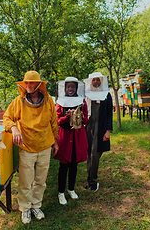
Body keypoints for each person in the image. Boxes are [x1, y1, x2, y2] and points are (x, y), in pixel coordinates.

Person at [3, 70, 59, 224]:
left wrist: (55, 140)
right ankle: (25, 208)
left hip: (45, 145)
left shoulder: (48, 101)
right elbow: (7, 118)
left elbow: (53, 122)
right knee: (26, 181)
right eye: (26, 82)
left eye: (31, 82)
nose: (28, 85)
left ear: (39, 85)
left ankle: (36, 205)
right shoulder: (18, 102)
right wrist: (14, 128)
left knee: (41, 180)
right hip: (27, 146)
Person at [54, 77, 88, 205]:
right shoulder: (60, 102)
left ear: (76, 88)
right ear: (65, 88)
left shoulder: (82, 101)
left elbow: (86, 120)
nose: (70, 89)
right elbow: (57, 121)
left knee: (74, 164)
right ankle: (61, 192)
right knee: (63, 165)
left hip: (77, 136)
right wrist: (65, 117)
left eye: (72, 87)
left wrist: (79, 116)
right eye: (68, 87)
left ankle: (71, 189)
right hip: (65, 136)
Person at [83, 72, 113, 191]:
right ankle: (89, 180)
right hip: (88, 127)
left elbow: (110, 114)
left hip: (100, 129)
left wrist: (108, 131)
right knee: (89, 155)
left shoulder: (107, 95)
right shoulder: (86, 95)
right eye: (93, 80)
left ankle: (93, 181)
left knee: (95, 155)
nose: (96, 82)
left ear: (101, 81)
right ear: (90, 82)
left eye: (98, 80)